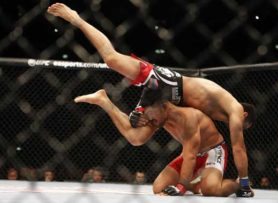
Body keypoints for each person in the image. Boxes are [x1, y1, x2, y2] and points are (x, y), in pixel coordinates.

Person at [48, 3, 256, 197]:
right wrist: (245, 183)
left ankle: (104, 100)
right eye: (244, 125)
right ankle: (77, 19)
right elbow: (238, 147)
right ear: (244, 114)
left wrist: (141, 109)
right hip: (172, 85)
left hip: (168, 100)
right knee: (111, 59)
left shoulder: (216, 111)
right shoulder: (235, 109)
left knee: (137, 138)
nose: (238, 128)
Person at [73, 88, 253, 196]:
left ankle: (238, 184)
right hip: (190, 154)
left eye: (150, 112)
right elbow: (134, 136)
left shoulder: (190, 117)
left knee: (211, 191)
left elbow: (190, 155)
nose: (148, 118)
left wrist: (182, 187)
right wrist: (124, 113)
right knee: (158, 187)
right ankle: (104, 100)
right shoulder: (159, 117)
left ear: (163, 106)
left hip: (212, 151)